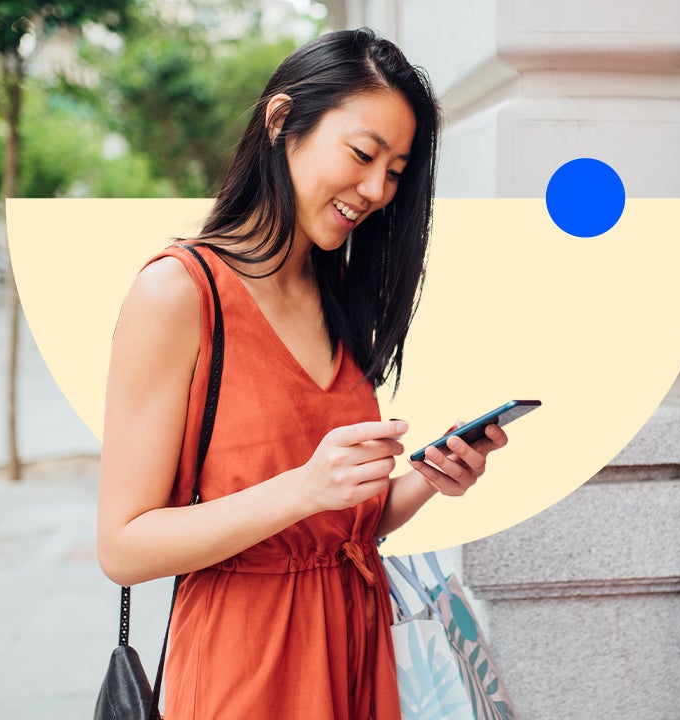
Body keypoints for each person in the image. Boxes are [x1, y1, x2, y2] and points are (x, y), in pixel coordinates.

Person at [96, 28, 510, 720]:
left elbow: (343, 523)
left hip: (358, 647)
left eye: (397, 171)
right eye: (362, 154)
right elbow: (124, 546)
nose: (377, 190)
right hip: (249, 666)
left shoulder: (335, 291)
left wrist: (427, 482)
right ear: (282, 121)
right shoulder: (177, 294)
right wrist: (302, 488)